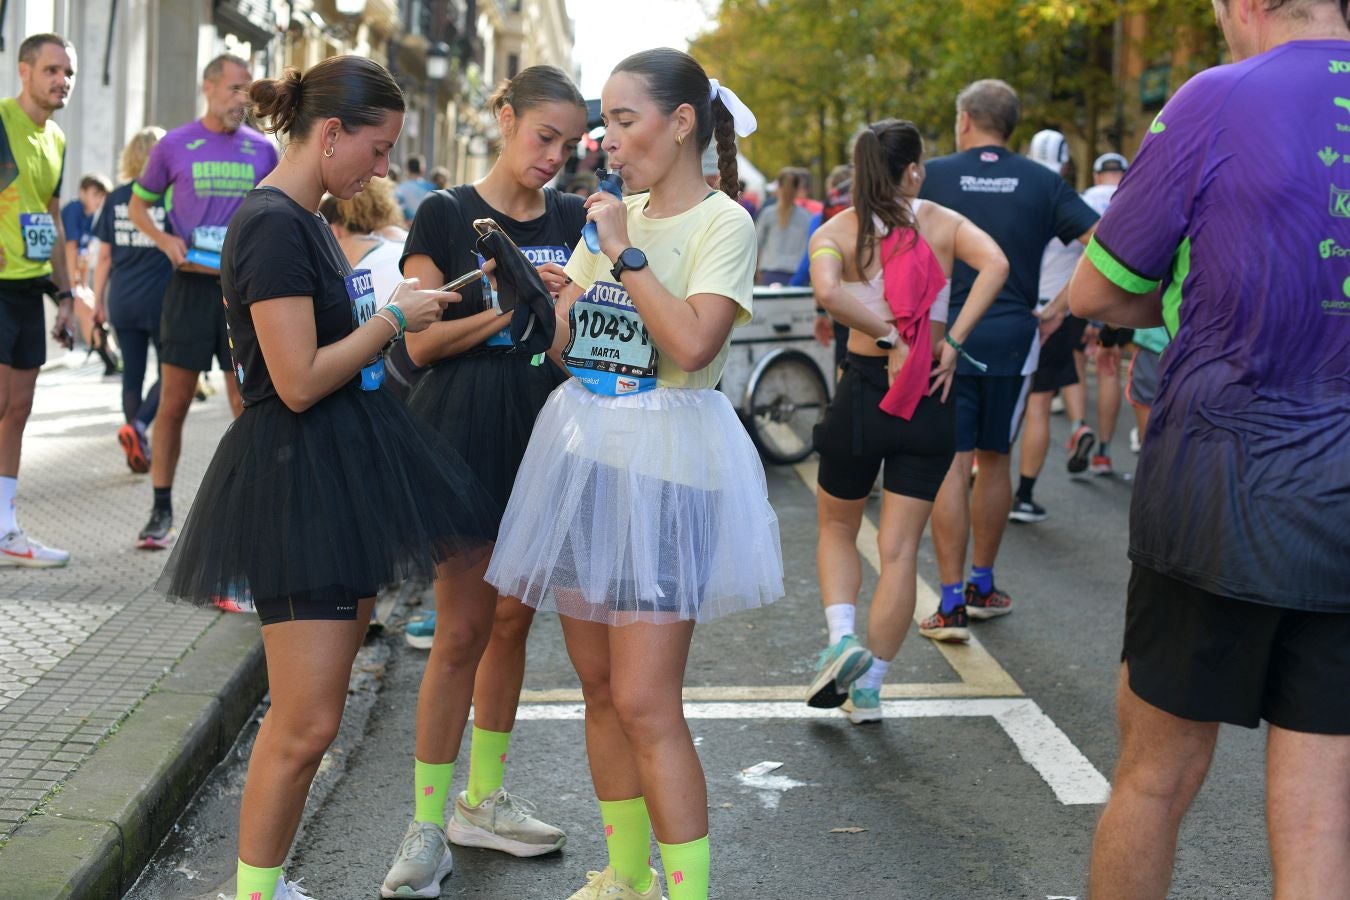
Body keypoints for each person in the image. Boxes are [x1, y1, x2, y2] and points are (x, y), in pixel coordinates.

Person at [155, 55, 498, 900]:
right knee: (304, 726)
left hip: (322, 476)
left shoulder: (301, 218)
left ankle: (263, 884)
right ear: (332, 132)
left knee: (315, 719)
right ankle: (255, 893)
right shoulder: (275, 222)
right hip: (295, 479)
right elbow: (300, 377)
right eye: (376, 148)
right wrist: (393, 318)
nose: (383, 170)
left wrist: (410, 312)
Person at [486, 48, 783, 900]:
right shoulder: (610, 217)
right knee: (601, 691)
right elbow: (563, 345)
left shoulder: (723, 223)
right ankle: (625, 877)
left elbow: (693, 344)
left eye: (622, 120)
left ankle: (684, 891)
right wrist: (541, 298)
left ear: (680, 122)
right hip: (585, 458)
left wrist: (623, 254)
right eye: (603, 122)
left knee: (648, 702)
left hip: (671, 470)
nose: (606, 140)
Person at [1070, 3, 1350, 897]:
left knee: (1155, 778)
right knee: (1320, 818)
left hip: (1220, 486)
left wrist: (1197, 299)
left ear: (1248, 3)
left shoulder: (1216, 97)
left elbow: (1096, 291)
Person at [378, 65, 587, 899]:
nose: (555, 158)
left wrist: (566, 314)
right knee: (461, 628)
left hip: (552, 429)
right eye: (544, 136)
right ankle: (426, 823)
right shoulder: (445, 212)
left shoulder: (576, 219)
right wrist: (515, 307)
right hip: (463, 429)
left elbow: (573, 352)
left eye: (569, 145)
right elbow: (417, 346)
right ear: (504, 118)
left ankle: (481, 801)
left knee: (512, 624)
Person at [805, 119, 1005, 719]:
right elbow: (995, 264)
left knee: (837, 528)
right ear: (914, 169)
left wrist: (885, 333)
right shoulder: (942, 222)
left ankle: (842, 641)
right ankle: (870, 690)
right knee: (899, 551)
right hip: (931, 392)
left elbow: (826, 291)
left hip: (863, 392)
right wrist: (952, 342)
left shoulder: (837, 228)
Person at [915, 79, 1098, 640]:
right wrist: (1060, 308)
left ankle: (949, 603)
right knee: (994, 459)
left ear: (965, 119)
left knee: (951, 461)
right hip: (1012, 339)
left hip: (944, 337)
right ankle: (982, 584)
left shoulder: (934, 174)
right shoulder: (1045, 181)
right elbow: (1106, 241)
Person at [130, 53, 278, 550]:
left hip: (242, 294)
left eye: (248, 91)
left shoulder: (263, 150)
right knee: (173, 403)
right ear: (209, 87)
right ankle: (160, 509)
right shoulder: (174, 144)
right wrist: (164, 239)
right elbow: (138, 203)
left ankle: (250, 511)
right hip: (191, 288)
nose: (243, 100)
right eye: (236, 89)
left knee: (247, 402)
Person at [0, 33, 78, 568]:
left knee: (20, 407)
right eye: (52, 70)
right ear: (24, 71)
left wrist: (68, 294)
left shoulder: (56, 141)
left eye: (68, 73)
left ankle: (5, 526)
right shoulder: (1, 121)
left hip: (29, 287)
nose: (62, 81)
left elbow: (50, 219)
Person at [1009, 130, 1097, 522]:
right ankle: (1023, 495)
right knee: (1039, 405)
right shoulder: (1067, 200)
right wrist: (1066, 304)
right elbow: (1103, 248)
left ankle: (979, 473)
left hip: (1006, 307)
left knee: (993, 400)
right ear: (1064, 162)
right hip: (1050, 313)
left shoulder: (1015, 192)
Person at [92, 127, 172, 474]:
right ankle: (138, 427)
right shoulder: (169, 197)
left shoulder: (115, 198)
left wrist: (97, 303)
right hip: (162, 297)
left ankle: (134, 443)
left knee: (132, 376)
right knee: (171, 370)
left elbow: (105, 257)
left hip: (122, 298)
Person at [1076, 152, 1130, 477]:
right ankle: (1105, 452)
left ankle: (1078, 428)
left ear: (1096, 176)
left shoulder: (1083, 199)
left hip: (1082, 293)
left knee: (1079, 365)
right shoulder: (1133, 198)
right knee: (1109, 368)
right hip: (1122, 296)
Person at [60, 172, 118, 374]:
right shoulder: (74, 209)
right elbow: (70, 248)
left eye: (102, 195)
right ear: (82, 192)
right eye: (95, 193)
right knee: (85, 306)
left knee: (92, 304)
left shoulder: (93, 216)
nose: (99, 199)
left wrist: (84, 286)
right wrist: (74, 287)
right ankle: (108, 358)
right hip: (58, 275)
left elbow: (84, 256)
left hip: (75, 276)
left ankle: (111, 357)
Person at [755, 166, 811, 284]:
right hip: (796, 274)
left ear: (778, 187)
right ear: (797, 189)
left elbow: (756, 244)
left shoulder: (768, 214)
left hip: (769, 272)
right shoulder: (806, 217)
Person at [397, 153, 434, 219]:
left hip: (406, 227)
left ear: (407, 169)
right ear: (423, 169)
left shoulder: (400, 188)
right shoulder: (432, 188)